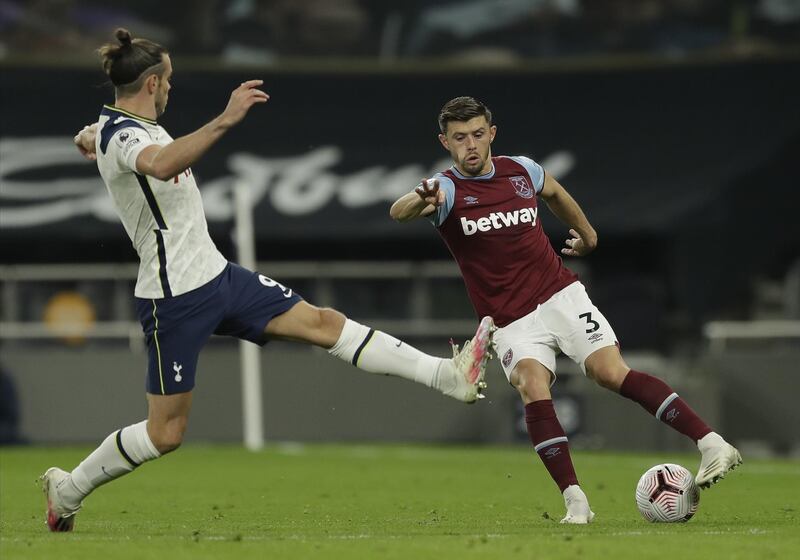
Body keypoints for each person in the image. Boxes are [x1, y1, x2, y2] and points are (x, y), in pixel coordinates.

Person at [42, 29, 495, 533]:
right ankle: (69, 487)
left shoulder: (120, 125)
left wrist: (88, 135)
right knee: (166, 434)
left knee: (324, 323)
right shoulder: (128, 136)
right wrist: (227, 118)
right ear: (151, 82)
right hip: (172, 299)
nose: (171, 88)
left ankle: (446, 377)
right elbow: (160, 161)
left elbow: (108, 135)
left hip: (218, 278)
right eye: (168, 79)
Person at [389, 96, 742, 524]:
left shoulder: (521, 171)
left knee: (610, 372)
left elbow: (554, 191)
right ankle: (575, 500)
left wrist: (588, 234)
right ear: (445, 141)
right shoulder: (444, 189)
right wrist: (418, 197)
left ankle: (711, 442)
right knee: (531, 384)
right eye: (460, 138)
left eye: (478, 134)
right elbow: (399, 210)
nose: (471, 146)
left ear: (492, 134)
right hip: (510, 321)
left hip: (560, 295)